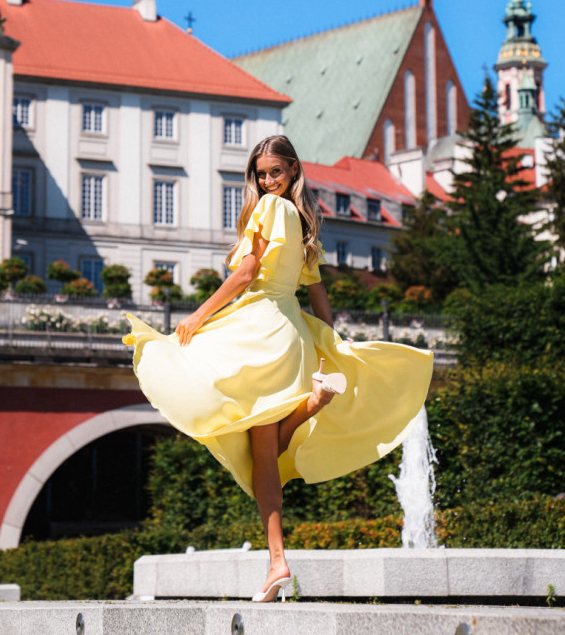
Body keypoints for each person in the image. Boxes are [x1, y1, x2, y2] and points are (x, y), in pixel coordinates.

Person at [124, 135, 433, 603]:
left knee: (185, 366)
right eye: (261, 174)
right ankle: (276, 561)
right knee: (263, 452)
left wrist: (198, 314)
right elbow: (317, 292)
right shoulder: (305, 223)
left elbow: (247, 273)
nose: (268, 181)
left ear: (292, 171)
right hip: (290, 333)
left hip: (259, 325)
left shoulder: (269, 209)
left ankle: (279, 548)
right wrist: (329, 345)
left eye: (275, 172)